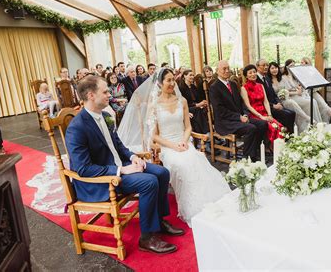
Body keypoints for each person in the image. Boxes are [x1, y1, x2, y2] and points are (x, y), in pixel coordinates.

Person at [66, 75, 184, 254]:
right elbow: (83, 169)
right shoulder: (77, 127)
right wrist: (121, 170)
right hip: (100, 181)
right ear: (90, 95)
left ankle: (158, 221)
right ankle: (147, 237)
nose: (110, 95)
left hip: (119, 166)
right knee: (149, 182)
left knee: (161, 172)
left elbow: (118, 146)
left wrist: (133, 157)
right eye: (105, 92)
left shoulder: (105, 116)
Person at [146, 68, 230, 224]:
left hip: (183, 142)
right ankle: (192, 206)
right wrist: (173, 146)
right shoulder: (154, 105)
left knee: (198, 158)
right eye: (168, 80)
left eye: (173, 80)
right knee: (182, 164)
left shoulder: (182, 101)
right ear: (159, 83)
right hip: (167, 146)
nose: (172, 83)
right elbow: (155, 135)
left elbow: (188, 127)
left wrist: (184, 141)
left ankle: (208, 199)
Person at [268, 62, 320, 132]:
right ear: (269, 70)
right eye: (272, 68)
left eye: (276, 68)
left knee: (291, 102)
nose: (274, 70)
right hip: (278, 100)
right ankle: (307, 118)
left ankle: (308, 121)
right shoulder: (268, 81)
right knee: (290, 102)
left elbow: (287, 90)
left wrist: (288, 93)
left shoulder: (281, 79)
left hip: (286, 97)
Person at [241, 64, 284, 146]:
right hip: (254, 114)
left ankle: (277, 148)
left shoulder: (260, 85)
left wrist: (269, 114)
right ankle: (268, 146)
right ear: (246, 76)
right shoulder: (244, 88)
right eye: (250, 73)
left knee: (279, 126)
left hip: (264, 112)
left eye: (254, 72)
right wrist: (261, 117)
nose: (253, 74)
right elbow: (248, 106)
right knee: (272, 128)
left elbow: (266, 102)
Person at [255, 59, 295, 133]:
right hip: (266, 108)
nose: (266, 67)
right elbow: (259, 99)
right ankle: (284, 137)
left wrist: (278, 103)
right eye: (263, 65)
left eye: (267, 65)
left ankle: (289, 137)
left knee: (292, 113)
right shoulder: (256, 79)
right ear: (257, 67)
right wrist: (273, 106)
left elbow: (273, 93)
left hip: (274, 104)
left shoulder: (266, 78)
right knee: (288, 115)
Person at [179, 70, 209, 134]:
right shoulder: (181, 88)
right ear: (184, 76)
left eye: (193, 75)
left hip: (196, 106)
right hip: (187, 108)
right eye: (190, 75)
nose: (192, 77)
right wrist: (197, 105)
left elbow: (198, 99)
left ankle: (210, 132)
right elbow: (183, 104)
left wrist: (203, 102)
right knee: (197, 110)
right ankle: (205, 133)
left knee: (206, 108)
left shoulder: (193, 87)